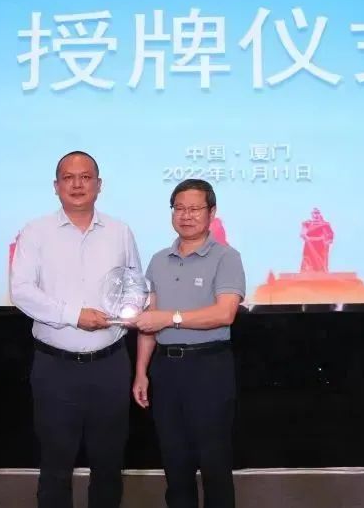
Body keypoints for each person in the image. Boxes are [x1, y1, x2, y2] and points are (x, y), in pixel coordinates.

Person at [10, 151, 141, 508]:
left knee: (109, 464)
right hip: (56, 368)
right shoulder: (36, 232)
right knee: (56, 465)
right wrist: (74, 315)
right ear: (56, 186)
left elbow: (133, 283)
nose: (77, 184)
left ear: (99, 185)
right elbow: (21, 291)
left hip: (110, 365)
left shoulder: (119, 231)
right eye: (68, 177)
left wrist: (133, 307)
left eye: (86, 177)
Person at [130, 178, 245, 508]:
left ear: (212, 212)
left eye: (195, 208)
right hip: (166, 369)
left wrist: (171, 318)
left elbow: (225, 313)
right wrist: (141, 372)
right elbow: (149, 320)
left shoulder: (226, 257)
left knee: (214, 462)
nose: (186, 215)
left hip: (208, 367)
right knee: (174, 461)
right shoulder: (158, 260)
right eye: (179, 208)